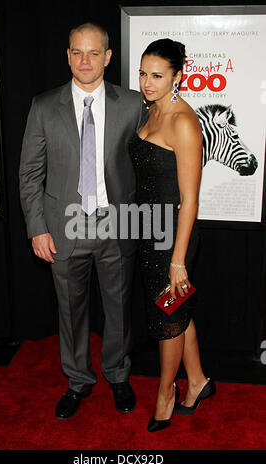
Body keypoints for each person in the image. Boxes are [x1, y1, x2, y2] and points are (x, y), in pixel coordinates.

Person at [19, 22, 147, 420]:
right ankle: (77, 381)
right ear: (68, 55)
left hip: (116, 224)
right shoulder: (44, 106)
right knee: (70, 311)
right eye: (77, 52)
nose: (85, 60)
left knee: (119, 307)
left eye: (94, 52)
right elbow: (29, 174)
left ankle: (118, 375)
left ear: (108, 57)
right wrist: (37, 226)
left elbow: (147, 165)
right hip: (62, 228)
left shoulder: (132, 104)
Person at [129, 38, 216, 433]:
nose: (147, 83)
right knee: (176, 311)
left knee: (169, 316)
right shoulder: (151, 109)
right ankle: (198, 381)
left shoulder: (183, 122)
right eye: (144, 74)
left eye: (158, 76)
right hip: (149, 229)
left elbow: (191, 200)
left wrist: (178, 260)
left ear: (178, 76)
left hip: (172, 239)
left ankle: (167, 393)